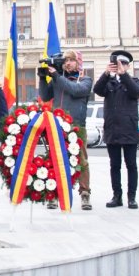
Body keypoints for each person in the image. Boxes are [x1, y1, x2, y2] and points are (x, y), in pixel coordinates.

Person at [38, 51, 93, 210]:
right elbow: (45, 96)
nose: (68, 63)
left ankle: (85, 194)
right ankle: (54, 194)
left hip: (77, 126)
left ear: (78, 63)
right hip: (58, 125)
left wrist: (56, 76)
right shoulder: (58, 80)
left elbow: (75, 91)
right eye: (65, 61)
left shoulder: (85, 80)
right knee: (56, 160)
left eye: (71, 60)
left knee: (81, 161)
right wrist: (42, 78)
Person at [93, 50, 139, 209]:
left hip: (129, 129)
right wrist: (107, 73)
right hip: (112, 129)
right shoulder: (108, 82)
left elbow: (135, 92)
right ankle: (117, 195)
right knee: (114, 165)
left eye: (123, 64)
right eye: (117, 64)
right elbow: (97, 90)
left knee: (131, 165)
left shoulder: (135, 81)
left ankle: (132, 197)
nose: (119, 67)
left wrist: (123, 75)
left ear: (128, 66)